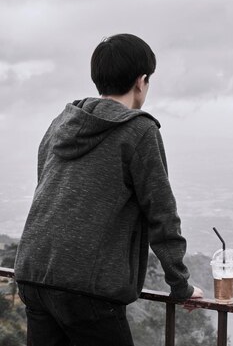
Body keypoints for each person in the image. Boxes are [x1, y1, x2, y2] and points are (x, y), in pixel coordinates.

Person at [14, 33, 203, 346]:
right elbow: (162, 214)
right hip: (86, 287)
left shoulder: (62, 122)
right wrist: (180, 284)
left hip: (34, 275)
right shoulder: (138, 130)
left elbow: (46, 184)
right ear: (141, 81)